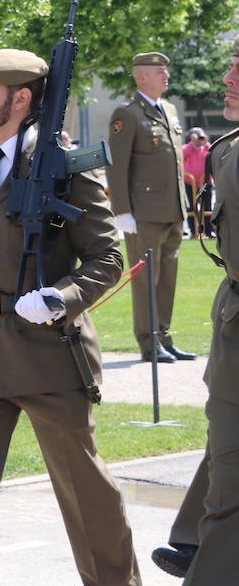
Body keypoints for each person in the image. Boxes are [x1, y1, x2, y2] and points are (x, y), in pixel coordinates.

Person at [0, 48, 140, 585]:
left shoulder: (65, 168)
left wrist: (60, 298)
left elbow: (108, 258)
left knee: (84, 492)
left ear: (21, 98)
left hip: (48, 351)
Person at [150, 42, 239, 581]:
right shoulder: (227, 151)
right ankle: (196, 541)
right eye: (230, 64)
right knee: (226, 446)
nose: (227, 77)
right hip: (233, 322)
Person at [106, 51, 194, 362]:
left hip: (171, 210)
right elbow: (116, 165)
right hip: (142, 214)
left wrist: (183, 207)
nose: (166, 75)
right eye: (159, 71)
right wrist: (122, 212)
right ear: (141, 76)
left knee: (168, 277)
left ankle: (165, 337)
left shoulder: (168, 109)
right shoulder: (127, 113)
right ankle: (148, 342)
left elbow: (175, 162)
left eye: (165, 70)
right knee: (145, 280)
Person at [183, 127, 212, 239]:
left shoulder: (207, 148)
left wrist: (205, 142)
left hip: (205, 182)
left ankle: (208, 232)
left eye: (202, 136)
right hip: (190, 183)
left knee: (207, 207)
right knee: (191, 207)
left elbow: (213, 153)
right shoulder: (187, 148)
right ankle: (193, 232)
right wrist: (192, 143)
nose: (200, 139)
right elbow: (182, 154)